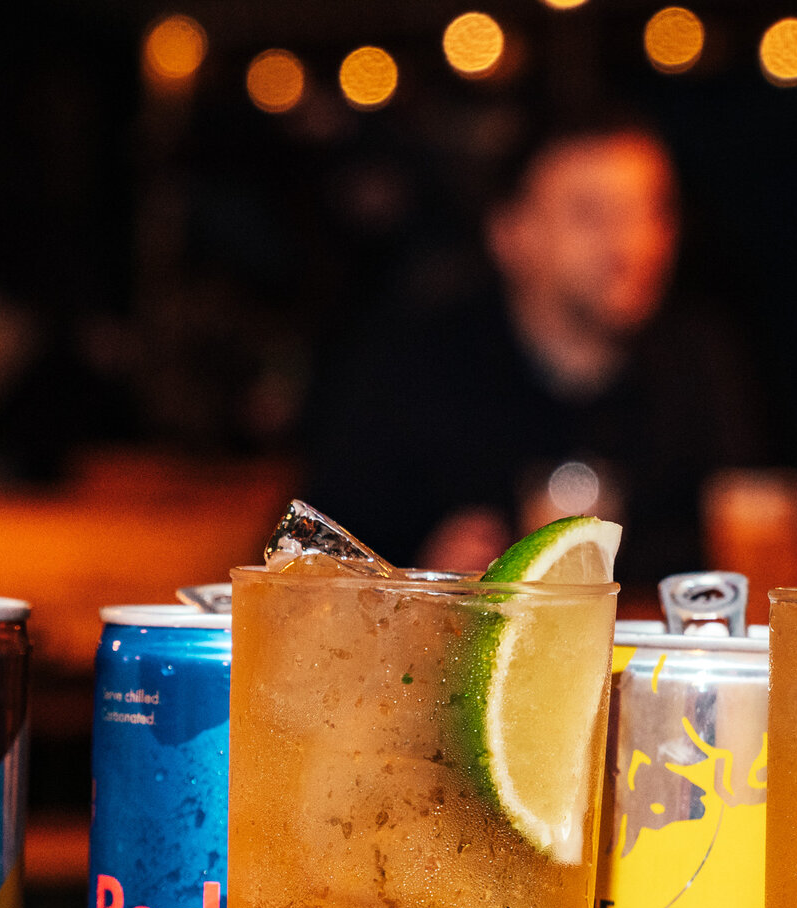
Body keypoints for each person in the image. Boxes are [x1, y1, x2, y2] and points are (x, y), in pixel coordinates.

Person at [303, 112, 760, 586]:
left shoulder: (699, 356)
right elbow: (316, 554)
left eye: (650, 211)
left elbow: (735, 541)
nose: (630, 244)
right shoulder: (415, 364)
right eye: (590, 215)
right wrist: (420, 574)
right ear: (509, 235)